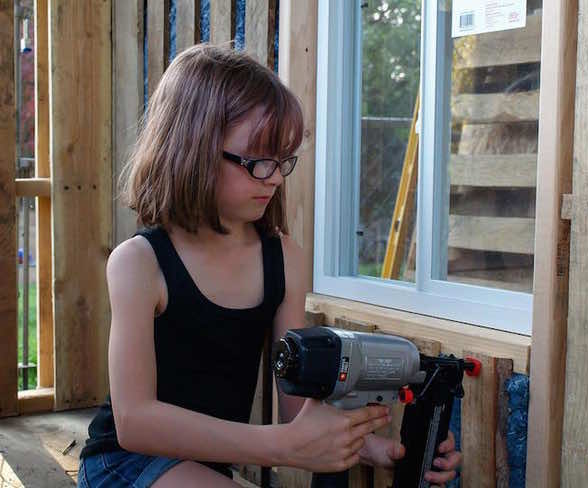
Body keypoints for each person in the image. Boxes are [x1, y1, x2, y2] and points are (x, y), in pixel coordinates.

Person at [77, 44, 461, 487]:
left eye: (281, 161)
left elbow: (296, 408)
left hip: (207, 468)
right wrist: (281, 446)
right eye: (259, 162)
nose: (276, 177)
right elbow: (135, 422)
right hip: (124, 464)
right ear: (193, 150)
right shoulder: (139, 263)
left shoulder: (284, 259)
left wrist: (370, 447)